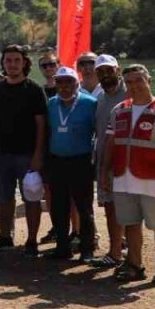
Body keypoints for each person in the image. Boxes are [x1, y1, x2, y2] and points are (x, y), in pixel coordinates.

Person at [102, 64, 155, 285]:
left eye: (139, 80)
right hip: (123, 177)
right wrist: (104, 171)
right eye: (129, 82)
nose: (134, 85)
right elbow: (110, 144)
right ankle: (134, 265)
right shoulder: (119, 110)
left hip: (154, 179)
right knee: (130, 223)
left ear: (149, 81)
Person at [0, 45, 48, 255]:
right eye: (8, 60)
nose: (12, 64)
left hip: (28, 154)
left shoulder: (35, 90)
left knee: (31, 198)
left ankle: (31, 240)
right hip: (2, 153)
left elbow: (41, 125)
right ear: (3, 63)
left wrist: (38, 154)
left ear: (24, 63)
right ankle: (5, 236)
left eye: (16, 60)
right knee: (4, 198)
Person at [43, 66, 98, 261]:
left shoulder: (91, 104)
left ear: (77, 83)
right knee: (59, 207)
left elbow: (98, 133)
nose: (64, 86)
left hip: (81, 162)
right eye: (60, 82)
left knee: (84, 208)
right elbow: (46, 132)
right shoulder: (50, 104)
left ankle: (87, 249)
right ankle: (62, 248)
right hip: (57, 161)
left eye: (69, 82)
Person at [89, 55, 128, 269]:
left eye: (108, 70)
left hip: (128, 161)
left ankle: (127, 251)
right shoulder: (100, 97)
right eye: (100, 72)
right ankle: (115, 251)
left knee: (130, 208)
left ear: (118, 69)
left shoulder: (131, 92)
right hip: (105, 162)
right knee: (111, 208)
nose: (105, 75)